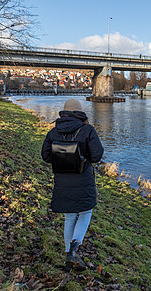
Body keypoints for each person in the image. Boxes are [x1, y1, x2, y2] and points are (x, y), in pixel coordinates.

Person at [41, 99, 104, 270]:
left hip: (62, 179)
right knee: (85, 212)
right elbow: (97, 155)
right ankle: (74, 250)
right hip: (83, 178)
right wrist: (84, 158)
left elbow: (45, 157)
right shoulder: (87, 130)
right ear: (80, 112)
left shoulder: (54, 132)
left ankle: (69, 253)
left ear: (64, 112)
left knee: (69, 216)